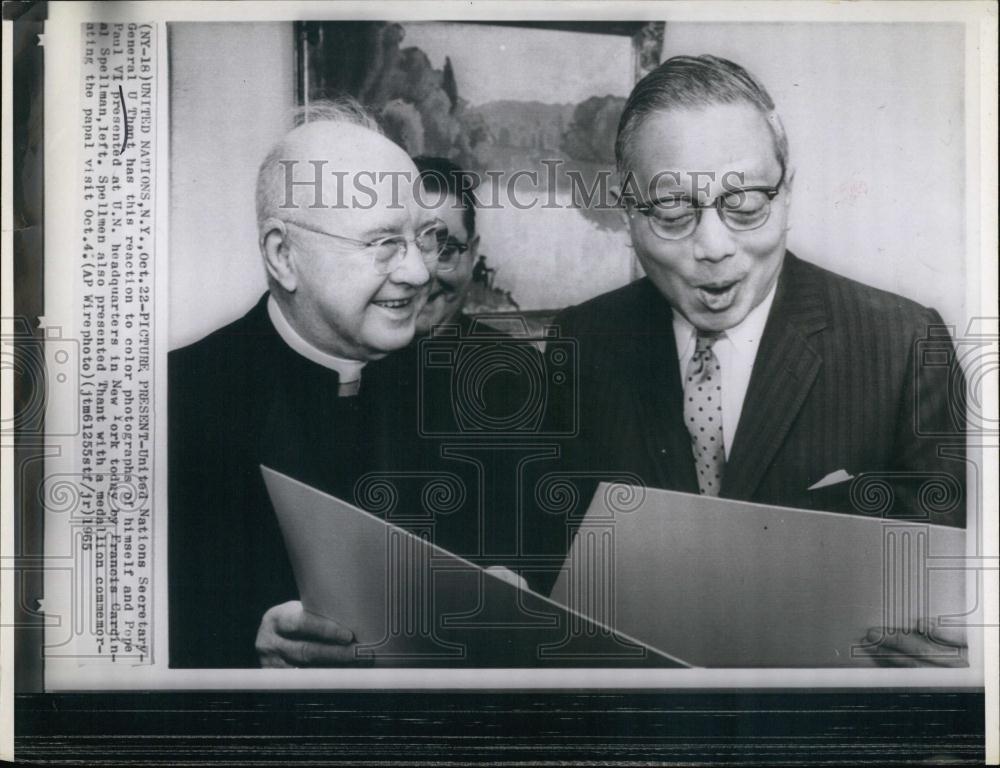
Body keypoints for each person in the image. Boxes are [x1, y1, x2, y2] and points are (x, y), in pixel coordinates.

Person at [525, 55, 967, 664]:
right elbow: (557, 561)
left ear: (787, 194)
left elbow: (946, 591)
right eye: (672, 211)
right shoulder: (581, 341)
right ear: (629, 214)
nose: (713, 248)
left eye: (746, 204)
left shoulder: (904, 343)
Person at [168, 101, 447, 668]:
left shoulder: (464, 391)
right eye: (383, 243)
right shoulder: (174, 403)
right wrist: (244, 648)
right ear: (283, 256)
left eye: (426, 238)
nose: (419, 272)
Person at [412, 156, 480, 335]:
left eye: (443, 251)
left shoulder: (520, 361)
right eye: (398, 249)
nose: (421, 275)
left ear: (473, 253)